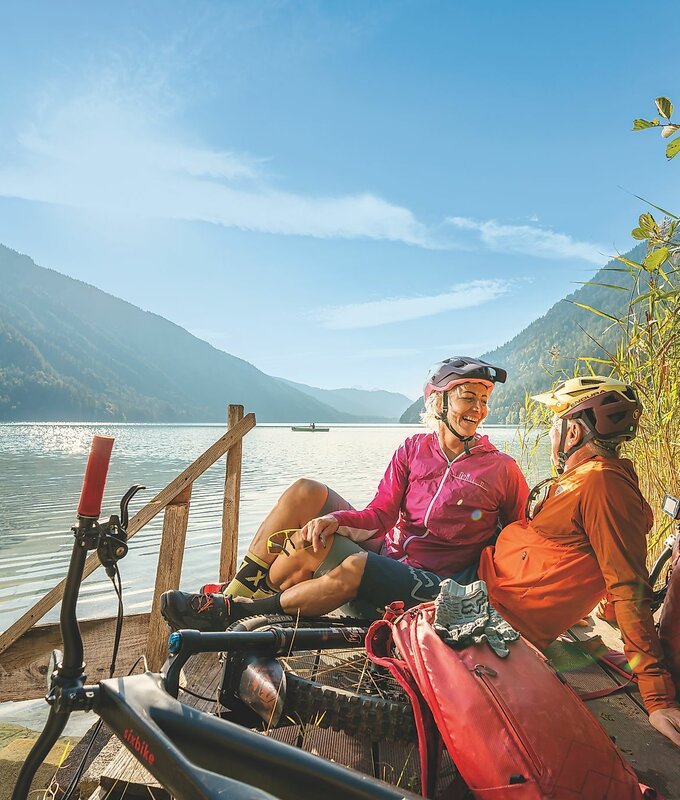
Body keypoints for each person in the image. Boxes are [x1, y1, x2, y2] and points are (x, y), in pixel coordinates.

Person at [161, 356, 529, 628]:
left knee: (345, 564)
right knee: (307, 501)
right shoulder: (413, 449)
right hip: (390, 554)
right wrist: (333, 521)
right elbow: (381, 515)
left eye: (484, 399)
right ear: (441, 402)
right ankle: (235, 595)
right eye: (469, 397)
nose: (479, 409)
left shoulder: (501, 469)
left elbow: (522, 538)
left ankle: (237, 612)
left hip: (436, 583)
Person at [478, 376, 680, 747]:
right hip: (487, 590)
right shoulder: (584, 479)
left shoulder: (602, 484)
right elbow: (589, 564)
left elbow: (628, 587)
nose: (552, 434)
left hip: (490, 612)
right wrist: (593, 607)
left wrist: (657, 698)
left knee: (364, 570)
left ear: (572, 434)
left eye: (555, 424)